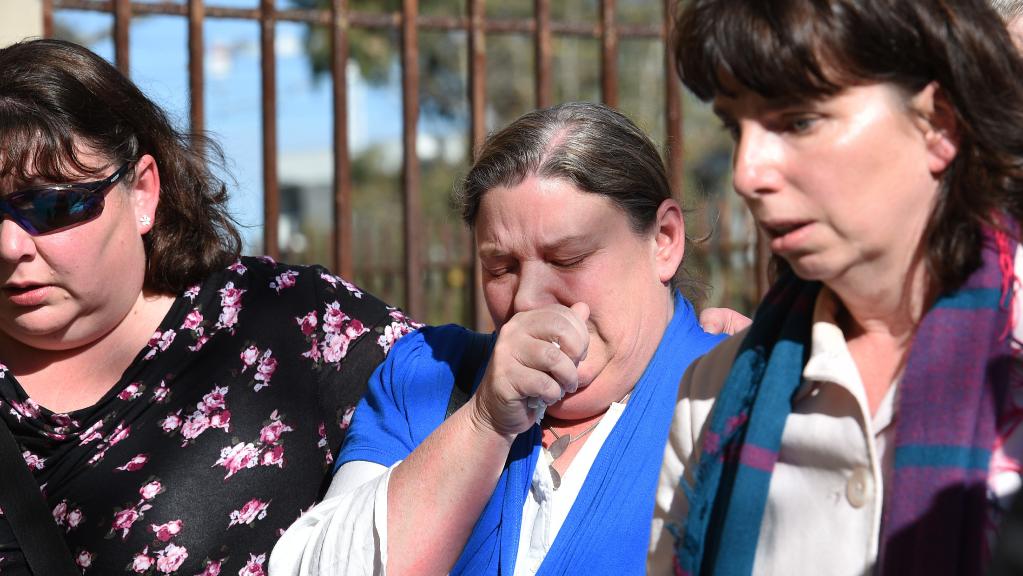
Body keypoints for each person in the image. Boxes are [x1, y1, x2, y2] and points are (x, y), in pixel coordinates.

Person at [0, 38, 418, 575]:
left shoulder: (286, 322)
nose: (10, 246)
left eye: (52, 204)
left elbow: (483, 408)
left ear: (143, 193)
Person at [269, 101, 728, 575]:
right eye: (501, 268)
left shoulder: (737, 396)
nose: (527, 300)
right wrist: (485, 421)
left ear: (664, 240)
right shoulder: (428, 376)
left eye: (567, 259)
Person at [648, 0, 1023, 574]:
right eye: (734, 126)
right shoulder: (713, 396)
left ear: (938, 123)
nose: (747, 173)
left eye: (798, 120)